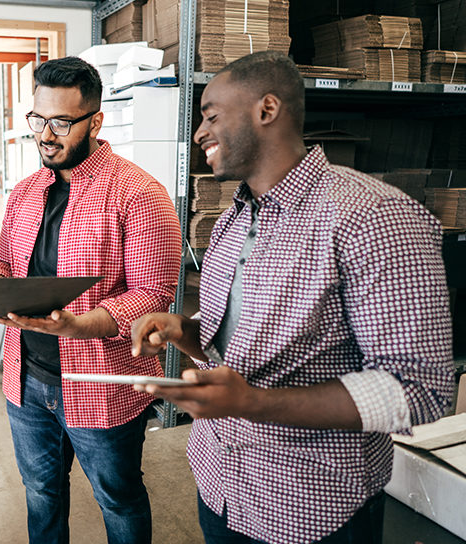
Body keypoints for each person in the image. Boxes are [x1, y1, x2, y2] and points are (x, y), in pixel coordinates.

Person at [131, 51, 454, 544]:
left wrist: (253, 403)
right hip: (221, 484)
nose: (198, 133)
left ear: (267, 109)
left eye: (211, 115)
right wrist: (183, 332)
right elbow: (233, 351)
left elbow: (419, 391)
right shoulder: (233, 221)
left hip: (309, 506)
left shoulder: (375, 217)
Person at [0, 56, 182, 544]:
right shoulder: (26, 192)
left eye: (61, 123)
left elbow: (155, 293)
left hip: (100, 384)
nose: (46, 135)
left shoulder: (137, 192)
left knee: (118, 498)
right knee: (40, 493)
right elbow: (5, 261)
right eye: (38, 119)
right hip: (26, 380)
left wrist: (82, 324)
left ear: (95, 121)